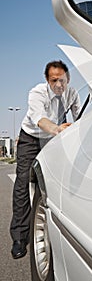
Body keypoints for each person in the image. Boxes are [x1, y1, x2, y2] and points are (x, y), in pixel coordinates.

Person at [10, 60, 80, 259]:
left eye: (62, 80)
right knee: (23, 183)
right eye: (54, 80)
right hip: (31, 138)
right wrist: (58, 129)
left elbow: (79, 117)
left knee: (54, 181)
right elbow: (39, 119)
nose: (59, 85)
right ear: (47, 81)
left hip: (52, 138)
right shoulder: (37, 93)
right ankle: (19, 237)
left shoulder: (72, 94)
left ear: (69, 79)